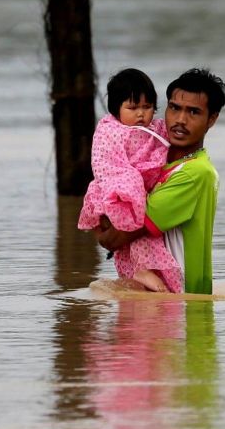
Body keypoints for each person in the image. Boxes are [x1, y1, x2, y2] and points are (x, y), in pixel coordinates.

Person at [94, 68, 225, 295]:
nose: (180, 120)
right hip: (162, 306)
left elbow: (114, 237)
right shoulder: (156, 164)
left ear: (211, 119)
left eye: (193, 112)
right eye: (174, 108)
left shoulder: (194, 173)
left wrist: (101, 221)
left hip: (179, 307)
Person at [78, 68, 182, 293]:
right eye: (132, 107)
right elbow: (104, 163)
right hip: (115, 189)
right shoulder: (110, 131)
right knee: (130, 220)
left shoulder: (158, 129)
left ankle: (143, 277)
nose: (141, 114)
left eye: (147, 107)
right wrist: (128, 185)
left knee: (146, 235)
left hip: (144, 192)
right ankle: (141, 269)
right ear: (116, 109)